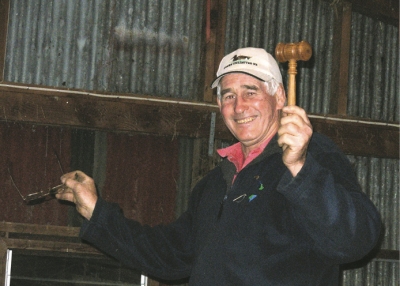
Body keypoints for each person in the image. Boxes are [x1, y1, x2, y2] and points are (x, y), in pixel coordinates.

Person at [56, 47, 382, 285]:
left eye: (250, 92)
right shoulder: (215, 183)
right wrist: (95, 211)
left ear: (279, 96)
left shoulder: (313, 156)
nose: (239, 106)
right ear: (218, 105)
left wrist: (300, 167)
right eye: (228, 95)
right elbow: (171, 257)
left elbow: (355, 241)